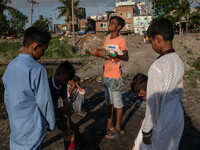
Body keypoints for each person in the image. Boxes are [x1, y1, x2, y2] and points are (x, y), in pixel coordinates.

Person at [133, 18, 185, 150]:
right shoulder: (178, 60)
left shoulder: (157, 67)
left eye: (151, 42)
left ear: (158, 39)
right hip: (177, 117)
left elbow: (153, 104)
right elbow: (180, 92)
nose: (152, 46)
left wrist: (146, 131)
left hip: (163, 122)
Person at [2, 26, 55, 150]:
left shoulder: (11, 65)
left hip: (16, 128)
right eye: (43, 50)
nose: (43, 54)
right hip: (32, 129)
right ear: (35, 46)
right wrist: (52, 123)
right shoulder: (37, 69)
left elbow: (7, 96)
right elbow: (44, 101)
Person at [85, 16, 129, 139]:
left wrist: (117, 55)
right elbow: (105, 54)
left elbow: (126, 57)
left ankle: (118, 127)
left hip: (115, 77)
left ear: (119, 27)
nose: (109, 24)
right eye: (109, 22)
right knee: (109, 103)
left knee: (118, 103)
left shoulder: (121, 40)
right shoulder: (107, 38)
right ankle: (109, 126)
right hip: (106, 75)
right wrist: (91, 52)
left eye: (112, 23)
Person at [48, 61, 75, 131]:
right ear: (59, 73)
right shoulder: (47, 85)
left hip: (55, 111)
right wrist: (61, 110)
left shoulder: (63, 84)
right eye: (66, 80)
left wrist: (68, 107)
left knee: (74, 129)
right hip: (43, 115)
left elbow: (65, 99)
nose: (67, 82)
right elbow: (43, 109)